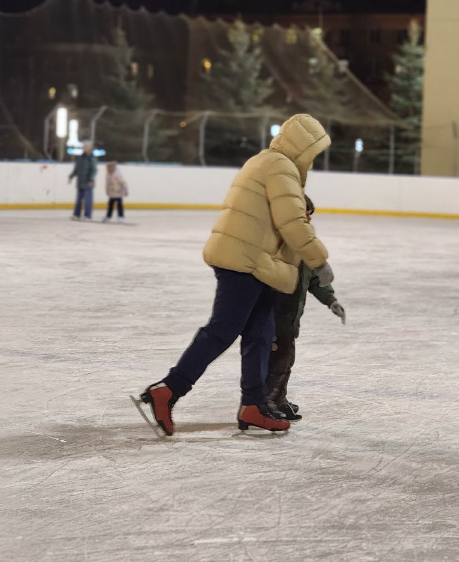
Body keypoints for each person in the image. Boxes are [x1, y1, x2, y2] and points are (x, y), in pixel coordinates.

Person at [138, 114, 334, 436]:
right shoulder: (280, 167)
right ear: (301, 147)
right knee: (222, 330)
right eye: (312, 153)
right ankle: (169, 390)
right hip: (244, 261)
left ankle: (253, 405)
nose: (312, 162)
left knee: (260, 332)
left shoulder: (266, 162)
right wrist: (318, 261)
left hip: (253, 260)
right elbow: (292, 222)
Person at [266, 196, 346, 421]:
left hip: (290, 320)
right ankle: (268, 400)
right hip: (274, 318)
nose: (309, 219)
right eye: (305, 214)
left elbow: (314, 279)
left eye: (310, 214)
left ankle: (278, 398)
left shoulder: (306, 246)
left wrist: (331, 300)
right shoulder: (279, 244)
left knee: (285, 361)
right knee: (276, 362)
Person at [68, 142, 97, 221]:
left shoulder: (91, 158)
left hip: (88, 182)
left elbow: (93, 170)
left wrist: (91, 179)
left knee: (88, 200)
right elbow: (77, 169)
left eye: (85, 147)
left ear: (89, 148)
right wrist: (71, 176)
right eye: (83, 146)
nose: (83, 148)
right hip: (80, 182)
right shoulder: (80, 157)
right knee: (79, 200)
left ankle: (87, 215)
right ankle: (76, 214)